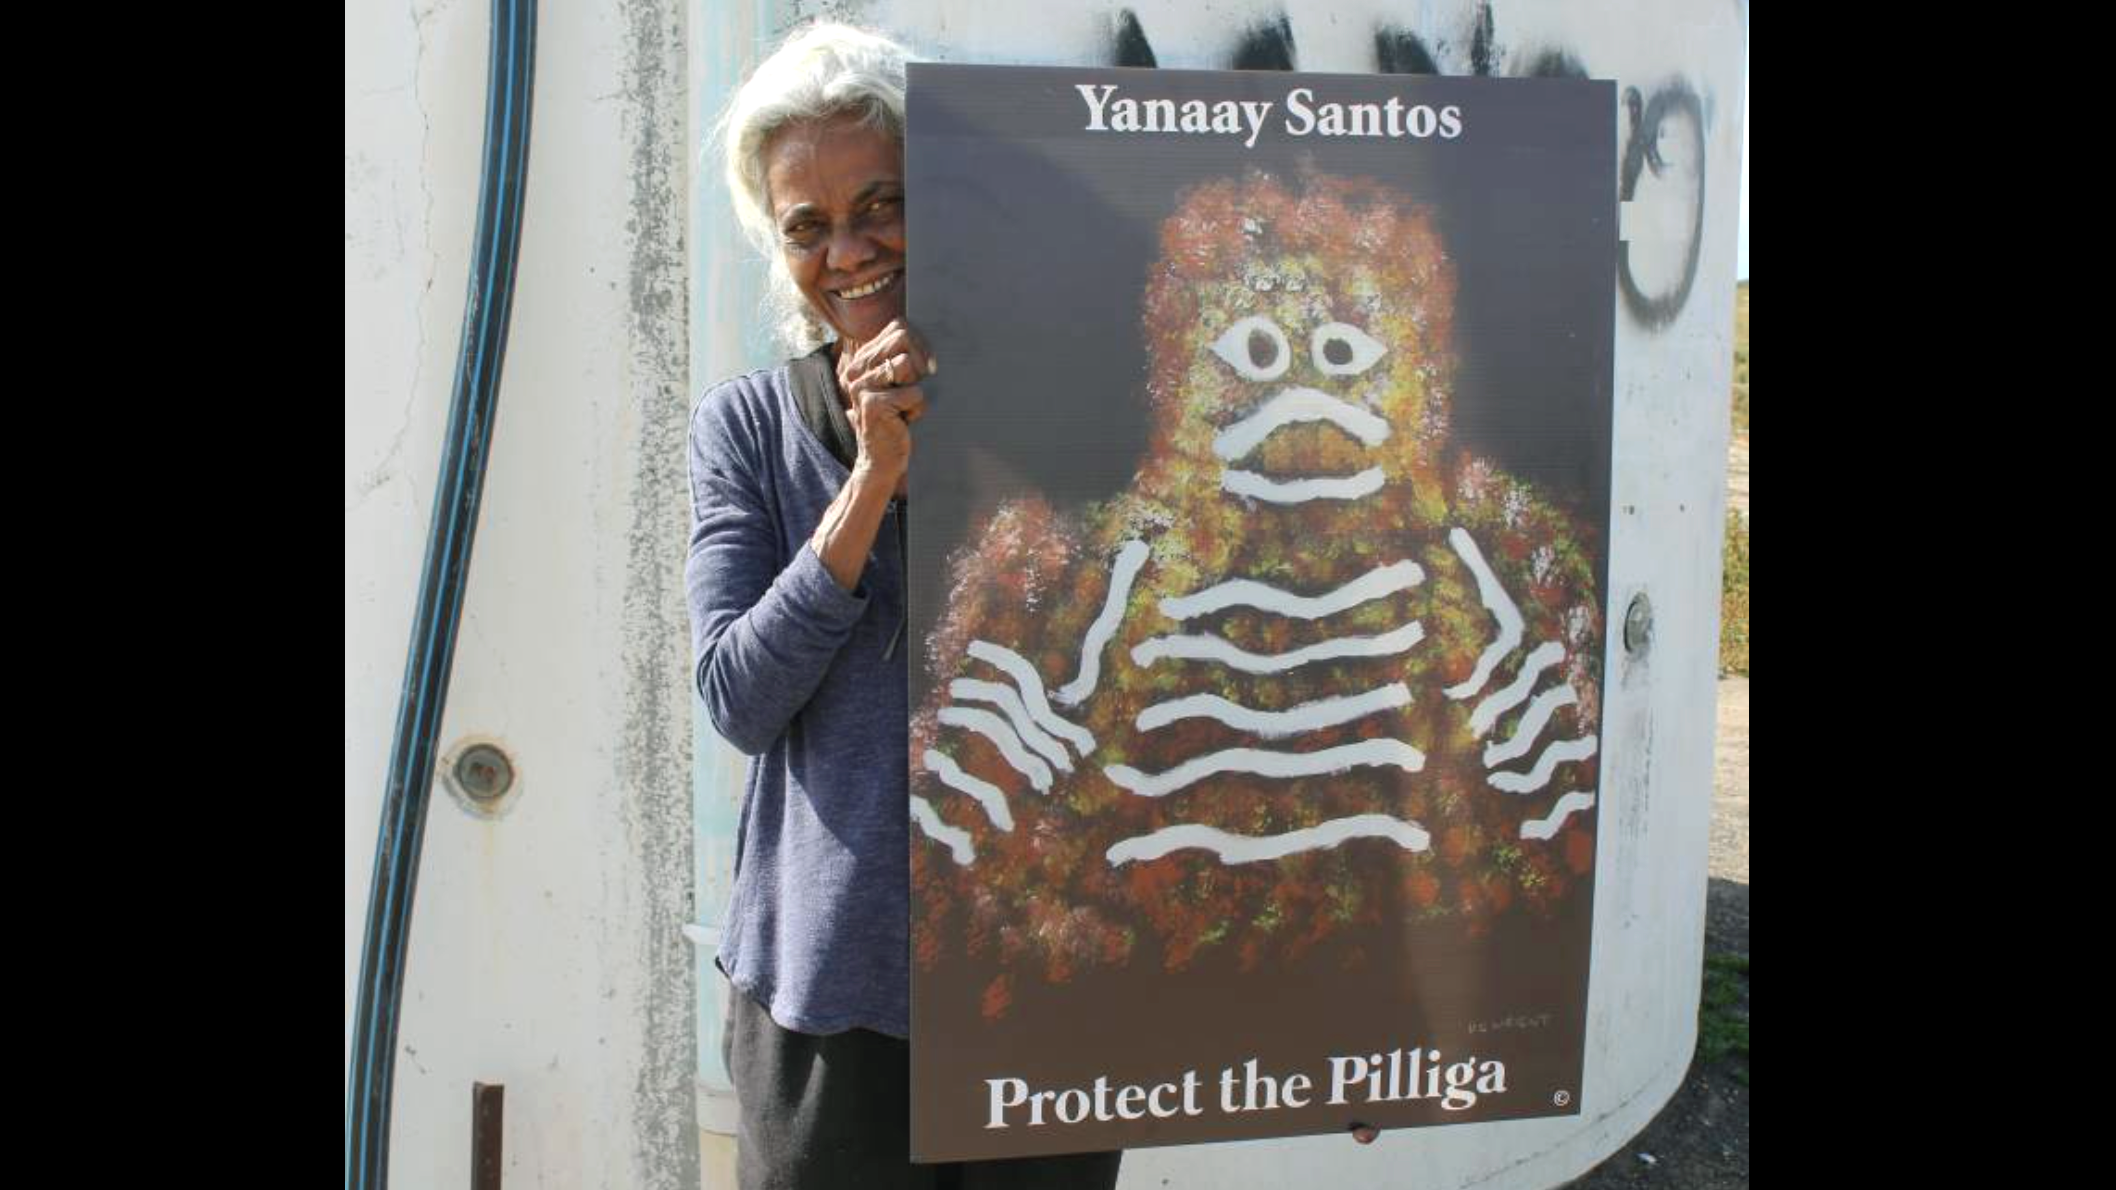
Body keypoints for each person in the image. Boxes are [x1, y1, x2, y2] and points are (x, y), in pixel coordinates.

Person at [687, 22, 1127, 1189]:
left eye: (880, 203)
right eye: (807, 225)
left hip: (1043, 987)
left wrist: (1335, 1019)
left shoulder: (1072, 417)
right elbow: (736, 693)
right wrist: (871, 479)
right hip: (828, 1002)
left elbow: (1174, 675)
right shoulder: (747, 428)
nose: (849, 249)